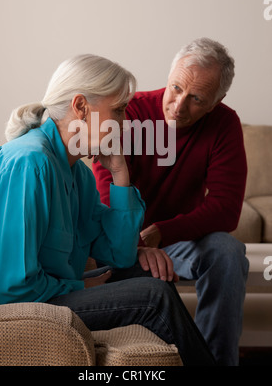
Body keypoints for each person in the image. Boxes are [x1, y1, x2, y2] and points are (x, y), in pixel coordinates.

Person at [0, 54, 216, 366]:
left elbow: (119, 255)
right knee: (154, 298)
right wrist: (80, 285)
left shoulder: (77, 173)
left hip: (41, 292)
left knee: (147, 270)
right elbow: (10, 286)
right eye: (118, 110)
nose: (126, 121)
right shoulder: (29, 162)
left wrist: (120, 174)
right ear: (81, 107)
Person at [93, 39, 250, 366]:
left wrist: (163, 232)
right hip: (121, 242)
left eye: (196, 99)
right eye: (176, 88)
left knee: (228, 251)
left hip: (176, 242)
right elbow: (107, 188)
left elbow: (226, 208)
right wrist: (136, 243)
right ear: (169, 75)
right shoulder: (131, 111)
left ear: (216, 101)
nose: (179, 105)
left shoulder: (224, 124)